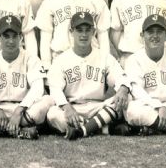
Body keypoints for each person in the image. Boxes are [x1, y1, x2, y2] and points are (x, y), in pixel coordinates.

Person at [0, 16, 54, 140]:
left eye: (15, 36)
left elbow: (38, 89)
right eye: (6, 36)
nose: (11, 41)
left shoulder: (31, 59)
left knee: (48, 100)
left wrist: (20, 110)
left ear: (21, 37)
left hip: (24, 110)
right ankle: (21, 131)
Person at [46, 12, 131, 140]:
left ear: (94, 31)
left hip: (97, 107)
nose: (84, 35)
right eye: (79, 30)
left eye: (88, 30)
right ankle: (102, 127)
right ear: (71, 31)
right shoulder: (61, 60)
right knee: (52, 114)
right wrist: (67, 107)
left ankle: (82, 130)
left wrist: (123, 89)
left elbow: (121, 77)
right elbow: (55, 89)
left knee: (126, 99)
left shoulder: (104, 57)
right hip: (73, 108)